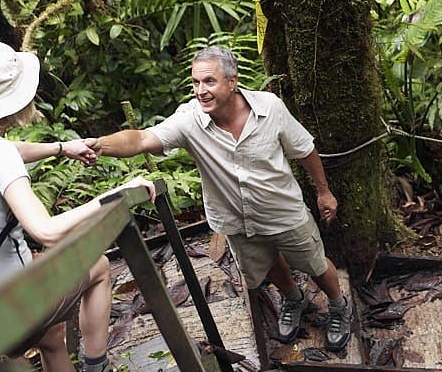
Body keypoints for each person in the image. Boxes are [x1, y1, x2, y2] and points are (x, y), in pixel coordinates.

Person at [85, 45, 354, 352]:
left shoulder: (270, 108)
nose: (201, 91)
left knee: (315, 263)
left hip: (283, 210)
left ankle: (337, 305)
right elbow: (143, 138)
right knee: (267, 264)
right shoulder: (190, 120)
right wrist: (100, 146)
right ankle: (293, 299)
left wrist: (323, 190)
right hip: (236, 220)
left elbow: (304, 149)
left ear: (232, 81)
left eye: (209, 81)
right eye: (196, 83)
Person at [0, 41, 151, 372]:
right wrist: (118, 193)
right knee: (99, 266)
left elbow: (7, 152)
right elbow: (45, 230)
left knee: (51, 334)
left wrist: (61, 148)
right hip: (11, 306)